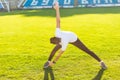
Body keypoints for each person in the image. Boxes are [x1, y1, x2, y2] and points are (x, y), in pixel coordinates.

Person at [44, 2, 107, 69]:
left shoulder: (64, 42)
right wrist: (57, 9)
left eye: (56, 43)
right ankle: (48, 61)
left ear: (58, 42)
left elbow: (60, 53)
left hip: (73, 38)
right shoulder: (57, 33)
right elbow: (58, 21)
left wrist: (54, 62)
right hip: (67, 36)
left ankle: (101, 62)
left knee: (86, 50)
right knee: (54, 50)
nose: (57, 44)